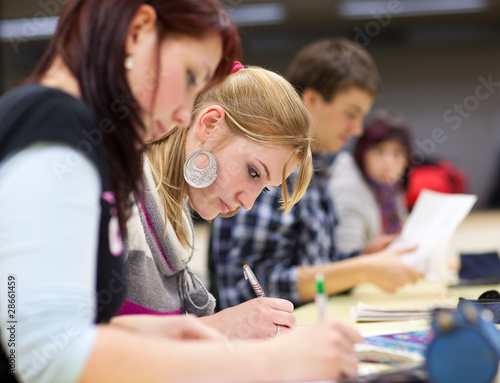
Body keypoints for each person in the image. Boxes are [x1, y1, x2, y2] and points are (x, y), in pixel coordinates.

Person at [0, 2, 361, 382]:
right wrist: (271, 363)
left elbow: (52, 326)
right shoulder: (56, 122)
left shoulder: (81, 135)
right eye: (191, 76)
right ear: (138, 30)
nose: (184, 113)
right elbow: (42, 354)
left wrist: (178, 335)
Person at [210, 38, 423, 311]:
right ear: (311, 100)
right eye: (351, 113)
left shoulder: (318, 168)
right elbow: (252, 286)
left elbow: (316, 266)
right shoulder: (271, 164)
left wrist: (363, 256)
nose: (357, 129)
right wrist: (363, 269)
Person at [117, 64, 313, 339]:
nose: (248, 204)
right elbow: (69, 345)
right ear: (209, 126)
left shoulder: (175, 221)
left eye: (264, 189)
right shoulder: (116, 197)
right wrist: (219, 327)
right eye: (253, 172)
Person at [330, 109, 413, 253]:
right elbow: (345, 256)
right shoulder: (348, 188)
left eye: (397, 153)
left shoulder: (390, 188)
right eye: (378, 151)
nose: (388, 162)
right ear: (363, 154)